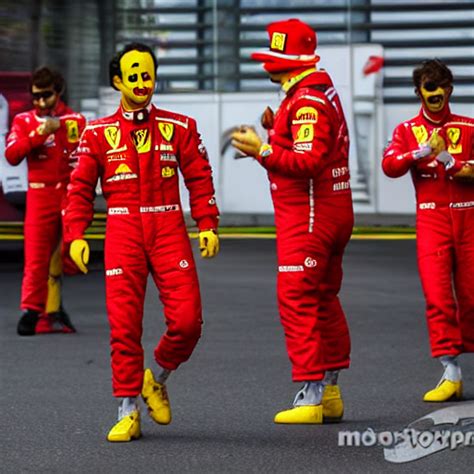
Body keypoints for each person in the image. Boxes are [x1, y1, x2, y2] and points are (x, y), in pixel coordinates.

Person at [63, 42, 220, 441]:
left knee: (188, 322)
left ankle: (158, 376)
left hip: (169, 227)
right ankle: (128, 408)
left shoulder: (180, 127)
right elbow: (80, 188)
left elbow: (199, 177)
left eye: (146, 75)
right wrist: (76, 235)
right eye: (133, 76)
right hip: (123, 230)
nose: (141, 82)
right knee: (124, 326)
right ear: (117, 81)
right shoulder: (97, 133)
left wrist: (207, 223)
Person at [232, 19, 353, 424]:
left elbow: (306, 162)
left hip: (310, 215)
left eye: (274, 56)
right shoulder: (315, 92)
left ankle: (311, 394)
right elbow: (310, 145)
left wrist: (262, 150)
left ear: (290, 62)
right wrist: (274, 132)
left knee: (296, 297)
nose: (268, 63)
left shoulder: (306, 101)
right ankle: (331, 392)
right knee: (323, 297)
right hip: (330, 211)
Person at [382, 59, 474, 402]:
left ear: (449, 89)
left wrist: (450, 161)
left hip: (469, 219)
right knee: (437, 297)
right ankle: (451, 371)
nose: (435, 94)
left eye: (440, 87)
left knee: (472, 297)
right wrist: (419, 153)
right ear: (418, 91)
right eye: (428, 87)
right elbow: (389, 165)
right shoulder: (406, 131)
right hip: (432, 220)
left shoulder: (468, 126)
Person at [5, 66, 85, 335]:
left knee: (70, 252)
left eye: (46, 96)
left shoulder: (76, 121)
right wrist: (40, 133)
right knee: (36, 257)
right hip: (40, 194)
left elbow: (86, 159)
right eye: (35, 97)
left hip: (70, 194)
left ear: (58, 92)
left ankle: (54, 306)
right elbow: (12, 155)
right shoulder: (24, 121)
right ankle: (31, 311)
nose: (40, 102)